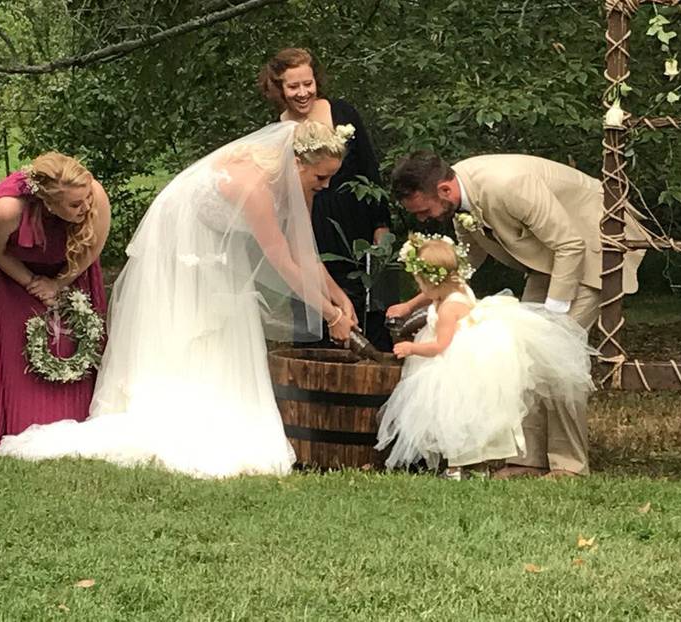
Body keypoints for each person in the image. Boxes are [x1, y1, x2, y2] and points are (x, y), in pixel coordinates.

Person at [0, 121, 357, 479]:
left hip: (217, 248)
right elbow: (282, 260)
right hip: (183, 246)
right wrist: (328, 314)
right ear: (297, 163)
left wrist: (340, 300)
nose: (324, 186)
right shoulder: (255, 187)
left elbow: (304, 251)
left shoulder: (295, 184)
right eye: (321, 178)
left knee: (230, 320)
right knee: (196, 325)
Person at [387, 151, 645, 477]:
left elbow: (570, 243)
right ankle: (529, 459)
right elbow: (463, 267)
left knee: (555, 356)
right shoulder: (458, 202)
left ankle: (570, 466)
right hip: (549, 262)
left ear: (444, 190)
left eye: (424, 211)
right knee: (519, 353)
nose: (424, 219)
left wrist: (553, 316)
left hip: (596, 249)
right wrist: (413, 305)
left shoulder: (508, 185)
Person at [376, 235, 595, 480]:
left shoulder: (449, 308)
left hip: (454, 363)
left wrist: (411, 348)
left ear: (433, 281)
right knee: (466, 414)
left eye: (421, 283)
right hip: (467, 358)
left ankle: (458, 465)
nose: (420, 290)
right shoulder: (456, 288)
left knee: (454, 413)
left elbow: (440, 345)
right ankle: (475, 465)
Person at [259, 48, 395, 350]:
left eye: (308, 83)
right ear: (279, 88)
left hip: (354, 221)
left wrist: (380, 223)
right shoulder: (276, 133)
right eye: (293, 86)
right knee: (311, 296)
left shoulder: (343, 112)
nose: (303, 92)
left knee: (369, 303)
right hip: (310, 223)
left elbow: (370, 170)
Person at [0, 153, 111, 446]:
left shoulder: (94, 194)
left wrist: (59, 282)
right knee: (22, 350)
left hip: (72, 268)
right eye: (75, 205)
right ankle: (20, 420)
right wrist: (32, 283)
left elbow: (94, 248)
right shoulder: (7, 210)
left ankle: (80, 415)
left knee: (72, 342)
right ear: (48, 203)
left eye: (86, 198)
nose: (86, 206)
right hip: (16, 274)